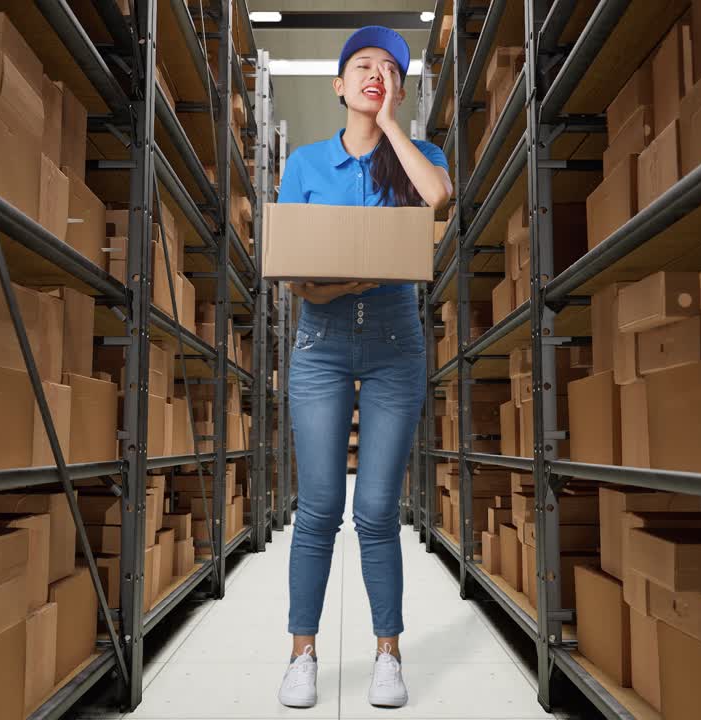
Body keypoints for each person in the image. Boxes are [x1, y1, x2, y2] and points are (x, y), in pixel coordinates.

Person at [274, 25, 452, 710]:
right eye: (363, 66)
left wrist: (390, 126)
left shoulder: (419, 156)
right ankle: (302, 654)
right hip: (320, 344)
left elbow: (435, 199)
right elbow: (292, 271)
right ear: (338, 84)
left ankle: (388, 653)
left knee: (376, 511)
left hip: (394, 345)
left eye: (389, 70)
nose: (375, 74)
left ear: (397, 90)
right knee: (318, 508)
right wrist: (340, 284)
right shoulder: (306, 166)